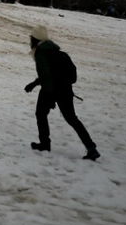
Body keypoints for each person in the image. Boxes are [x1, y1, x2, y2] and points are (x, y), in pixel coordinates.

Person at [24, 25, 99, 161]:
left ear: (35, 39)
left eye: (31, 38)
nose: (30, 40)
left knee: (40, 114)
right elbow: (62, 74)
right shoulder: (57, 51)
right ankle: (91, 148)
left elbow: (46, 76)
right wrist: (35, 84)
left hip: (50, 90)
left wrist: (47, 94)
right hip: (65, 90)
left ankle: (45, 144)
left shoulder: (41, 53)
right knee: (72, 119)